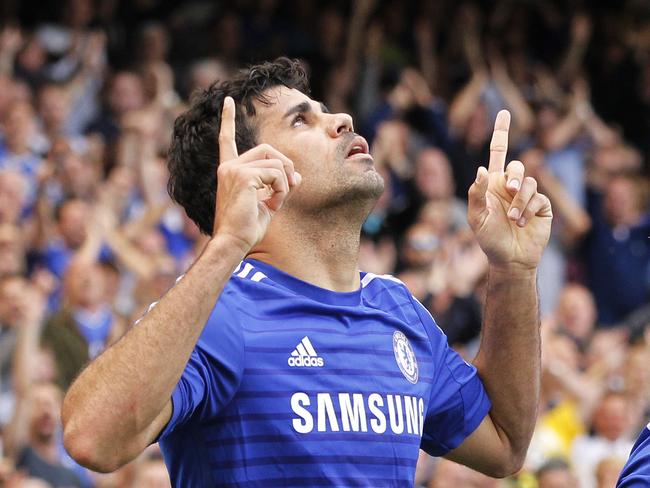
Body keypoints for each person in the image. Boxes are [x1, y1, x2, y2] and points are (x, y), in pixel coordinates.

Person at [61, 58, 552, 486]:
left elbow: (505, 444)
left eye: (324, 110)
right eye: (301, 121)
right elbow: (91, 439)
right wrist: (227, 244)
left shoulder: (399, 309)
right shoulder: (219, 313)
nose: (342, 118)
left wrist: (513, 270)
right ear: (251, 170)